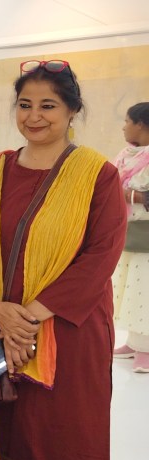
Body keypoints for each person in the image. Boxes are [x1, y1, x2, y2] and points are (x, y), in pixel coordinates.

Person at [0, 60, 125, 460]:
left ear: (72, 110)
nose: (34, 116)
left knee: (59, 439)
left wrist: (22, 321)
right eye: (25, 105)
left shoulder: (98, 175)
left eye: (48, 106)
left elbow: (99, 260)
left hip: (67, 333)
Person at [112, 102, 149, 372]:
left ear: (142, 125)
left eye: (128, 120)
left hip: (146, 239)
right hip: (128, 235)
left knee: (145, 292)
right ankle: (136, 343)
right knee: (129, 289)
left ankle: (147, 350)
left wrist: (129, 195)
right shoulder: (126, 155)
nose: (124, 126)